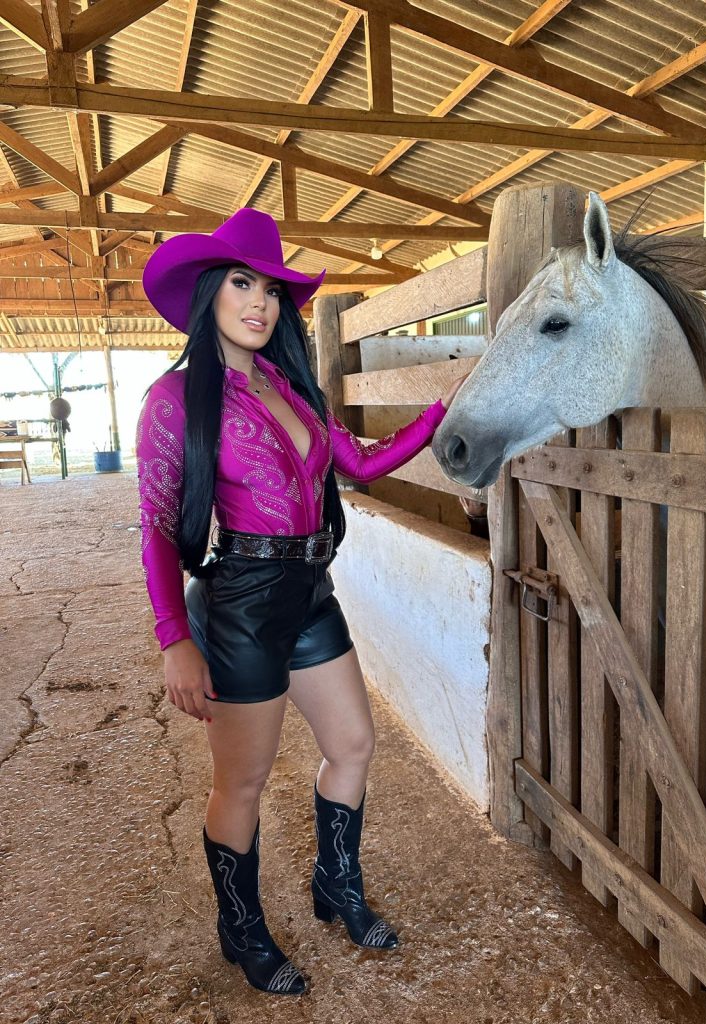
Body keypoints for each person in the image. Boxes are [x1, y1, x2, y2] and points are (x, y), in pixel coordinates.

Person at [136, 208, 465, 997]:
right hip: (242, 605)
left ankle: (335, 884)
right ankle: (241, 927)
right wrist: (174, 637)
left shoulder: (291, 385)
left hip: (311, 591)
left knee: (352, 743)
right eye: (242, 283)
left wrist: (439, 414)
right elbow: (156, 524)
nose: (260, 302)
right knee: (242, 784)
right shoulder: (174, 399)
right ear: (210, 292)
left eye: (272, 290)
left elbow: (358, 463)